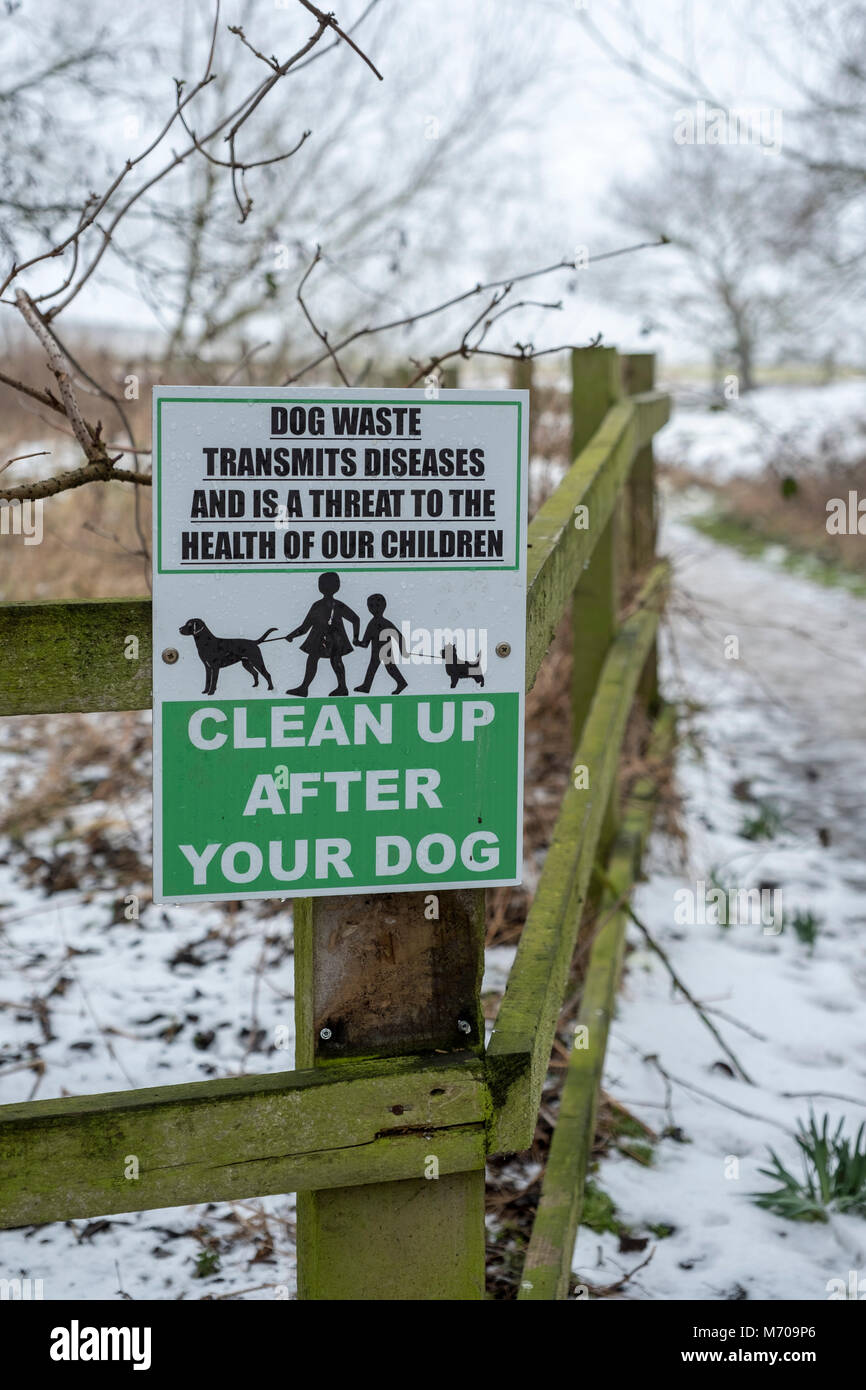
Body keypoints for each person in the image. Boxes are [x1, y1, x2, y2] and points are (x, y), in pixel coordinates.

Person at [285, 572, 360, 697]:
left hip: (334, 639)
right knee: (315, 660)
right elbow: (305, 627)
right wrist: (292, 635)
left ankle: (341, 687)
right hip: (321, 639)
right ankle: (305, 688)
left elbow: (355, 619)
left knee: (333, 660)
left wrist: (356, 638)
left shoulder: (327, 605)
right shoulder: (319, 605)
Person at [354, 593, 408, 694]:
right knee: (376, 668)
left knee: (388, 668)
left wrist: (403, 650)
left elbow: (399, 636)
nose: (374, 608)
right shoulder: (374, 623)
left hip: (384, 651)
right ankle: (367, 686)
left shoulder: (380, 623)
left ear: (383, 607)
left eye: (377, 606)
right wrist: (358, 643)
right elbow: (365, 643)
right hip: (378, 651)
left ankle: (401, 682)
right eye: (371, 606)